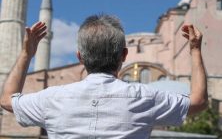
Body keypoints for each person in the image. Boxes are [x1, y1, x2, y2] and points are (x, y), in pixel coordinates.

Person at [0, 15, 208, 138]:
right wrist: (195, 50)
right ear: (124, 56)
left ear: (80, 57)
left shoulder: (53, 98)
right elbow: (198, 101)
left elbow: (7, 100)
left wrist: (27, 53)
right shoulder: (145, 98)